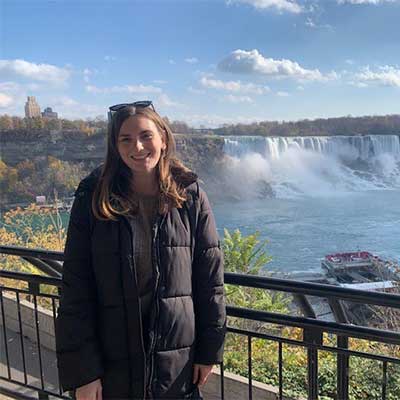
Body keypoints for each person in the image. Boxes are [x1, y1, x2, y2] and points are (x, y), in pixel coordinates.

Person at [55, 101, 226, 400]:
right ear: (115, 145)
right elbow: (75, 289)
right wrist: (84, 373)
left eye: (146, 135)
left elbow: (209, 280)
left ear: (162, 138)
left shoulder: (190, 195)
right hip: (111, 363)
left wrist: (209, 351)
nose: (138, 146)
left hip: (176, 362)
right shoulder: (93, 197)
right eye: (126, 139)